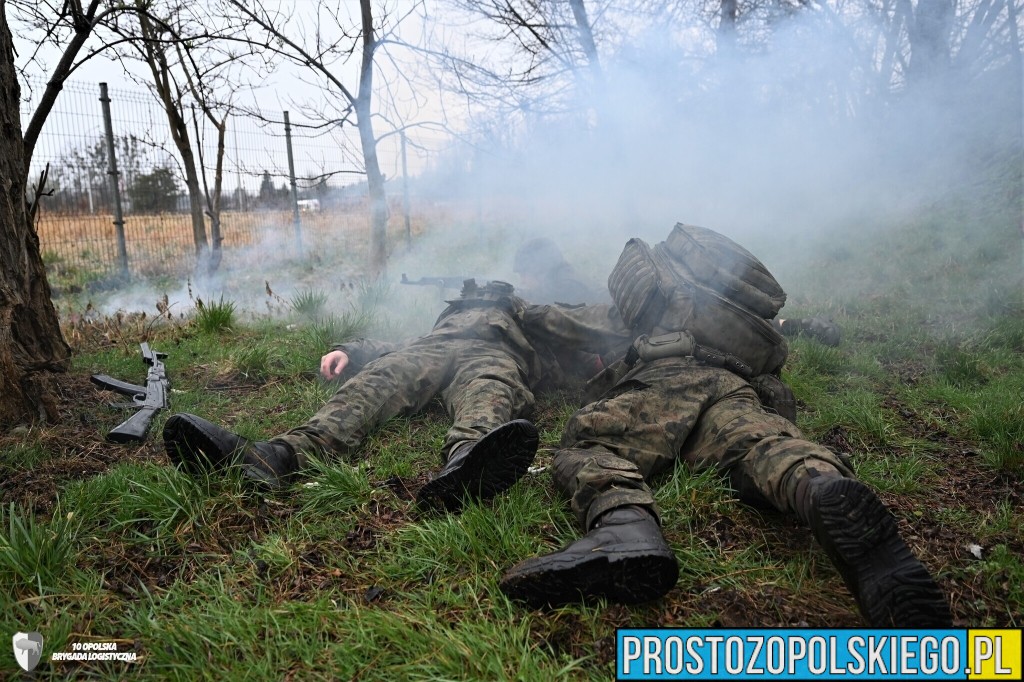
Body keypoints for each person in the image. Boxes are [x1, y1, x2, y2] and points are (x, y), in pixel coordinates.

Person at [498, 223, 951, 628]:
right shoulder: (710, 309)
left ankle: (624, 525)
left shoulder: (633, 312)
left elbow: (558, 320)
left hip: (666, 381)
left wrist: (512, 305)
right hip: (733, 383)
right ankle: (815, 485)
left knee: (588, 444)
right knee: (758, 442)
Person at [163, 278, 631, 513]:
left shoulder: (528, 314)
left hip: (494, 355)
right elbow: (397, 345)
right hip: (429, 351)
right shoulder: (445, 320)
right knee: (375, 381)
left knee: (491, 393)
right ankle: (274, 457)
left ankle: (467, 463)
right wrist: (350, 350)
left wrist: (600, 356)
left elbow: (588, 329)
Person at [513, 237, 605, 305]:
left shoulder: (568, 287)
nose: (522, 281)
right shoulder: (560, 279)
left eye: (524, 274)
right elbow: (540, 293)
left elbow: (546, 298)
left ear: (540, 271)